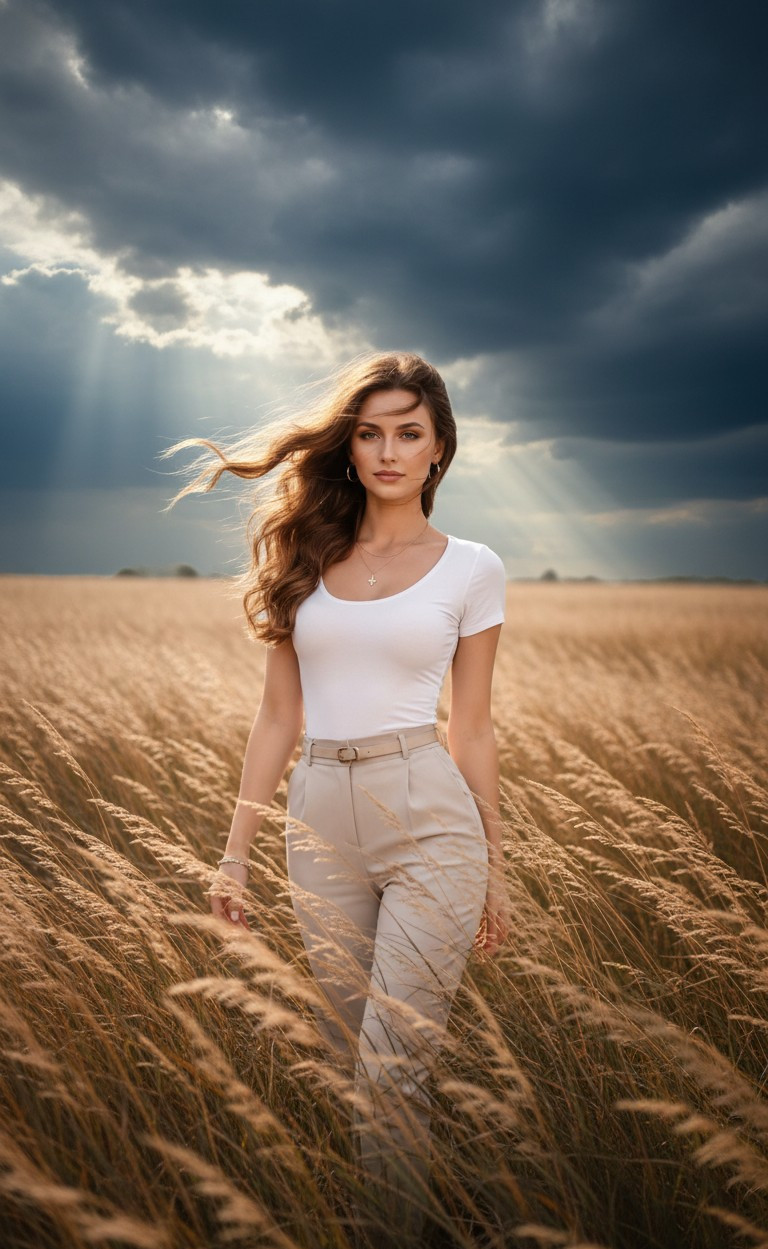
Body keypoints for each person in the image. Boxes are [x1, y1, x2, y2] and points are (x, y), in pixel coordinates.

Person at [163, 350, 511, 1242]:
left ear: (439, 451)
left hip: (430, 815)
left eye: (409, 433)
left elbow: (471, 727)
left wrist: (497, 866)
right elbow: (277, 716)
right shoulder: (307, 553)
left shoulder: (472, 567)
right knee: (345, 1054)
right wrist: (234, 851)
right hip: (318, 815)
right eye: (370, 433)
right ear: (350, 448)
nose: (388, 450)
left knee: (392, 1068)